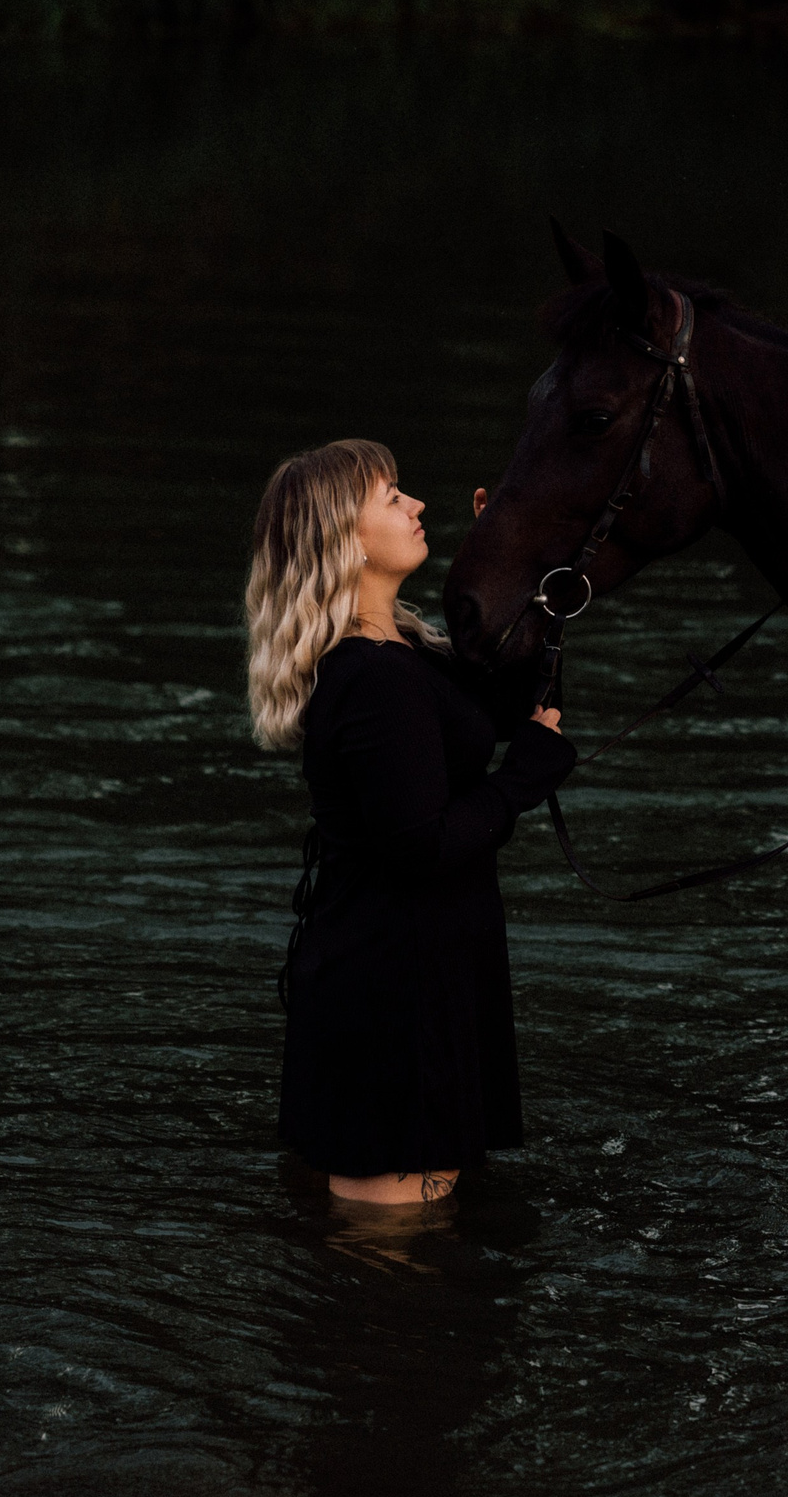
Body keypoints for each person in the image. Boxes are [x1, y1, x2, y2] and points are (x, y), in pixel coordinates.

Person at [244, 439, 575, 1206]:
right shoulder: (370, 679)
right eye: (392, 497)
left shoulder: (405, 653)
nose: (419, 503)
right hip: (392, 997)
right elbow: (421, 843)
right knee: (385, 1266)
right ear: (344, 540)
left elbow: (495, 710)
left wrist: (515, 563)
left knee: (418, 1243)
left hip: (417, 975)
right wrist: (523, 775)